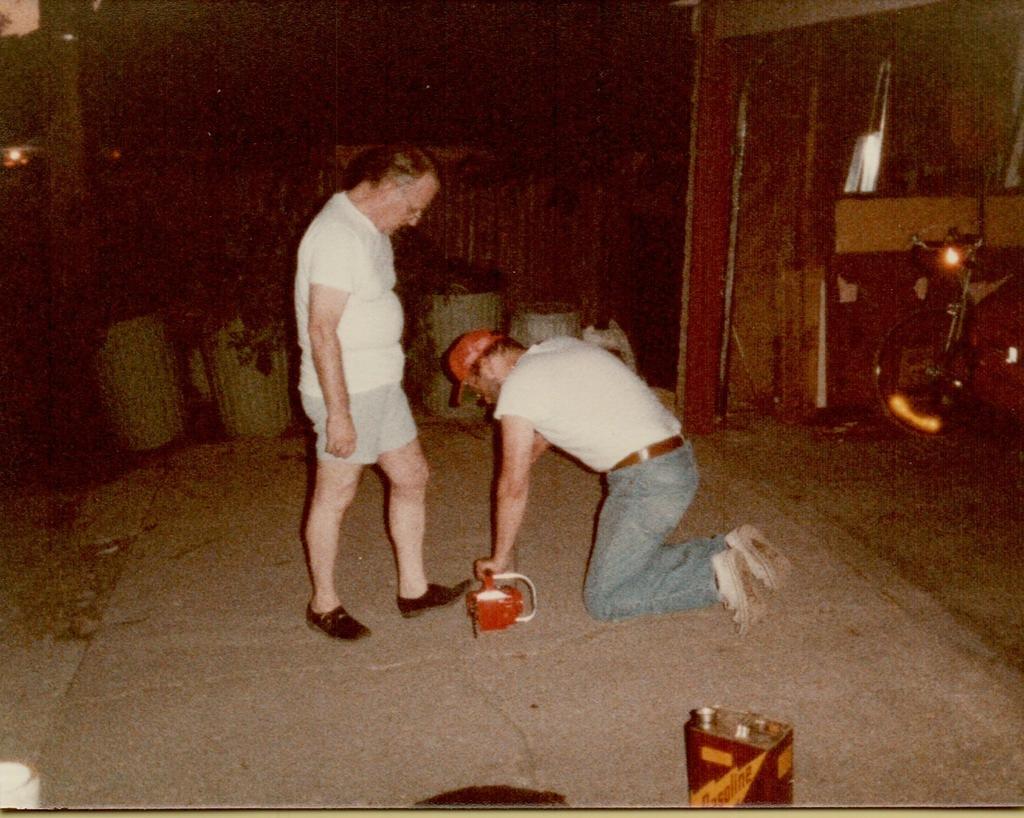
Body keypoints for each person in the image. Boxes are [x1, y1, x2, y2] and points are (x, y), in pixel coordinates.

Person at [445, 329, 791, 634]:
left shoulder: (518, 388)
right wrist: (523, 460)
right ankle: (727, 550)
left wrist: (501, 556)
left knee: (605, 599)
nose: (483, 399)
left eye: (476, 388)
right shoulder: (558, 348)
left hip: (645, 482)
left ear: (487, 367)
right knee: (631, 563)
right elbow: (549, 430)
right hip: (676, 463)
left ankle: (717, 578)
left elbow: (512, 487)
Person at [295, 146, 468, 640]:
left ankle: (413, 590)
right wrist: (339, 415)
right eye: (414, 207)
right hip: (346, 390)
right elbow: (322, 330)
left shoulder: (370, 229)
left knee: (412, 476)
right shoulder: (336, 236)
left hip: (379, 384)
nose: (415, 220)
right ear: (391, 188)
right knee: (336, 494)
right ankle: (323, 602)